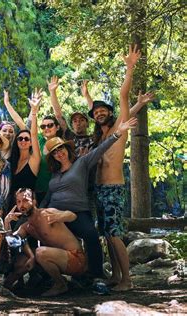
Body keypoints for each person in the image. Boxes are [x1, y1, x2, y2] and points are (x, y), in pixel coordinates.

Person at [39, 117, 137, 281]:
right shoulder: (54, 174)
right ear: (53, 157)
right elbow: (49, 195)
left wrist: (118, 133)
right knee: (42, 235)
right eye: (55, 152)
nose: (59, 153)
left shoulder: (81, 163)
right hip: (55, 213)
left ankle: (95, 273)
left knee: (91, 234)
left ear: (67, 149)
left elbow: (100, 149)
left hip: (78, 212)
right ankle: (49, 277)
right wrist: (39, 210)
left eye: (61, 149)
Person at [90, 44, 152, 291]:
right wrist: (140, 104)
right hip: (100, 190)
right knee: (107, 235)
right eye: (96, 112)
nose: (99, 114)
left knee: (115, 234)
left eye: (103, 110)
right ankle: (116, 275)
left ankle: (127, 280)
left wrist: (130, 68)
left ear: (112, 114)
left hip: (114, 189)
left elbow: (123, 97)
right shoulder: (103, 139)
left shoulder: (119, 131)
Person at [11, 189, 87, 297]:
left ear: (34, 201)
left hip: (76, 258)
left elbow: (72, 216)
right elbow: (12, 240)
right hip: (59, 259)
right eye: (18, 202)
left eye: (25, 200)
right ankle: (7, 286)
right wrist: (7, 222)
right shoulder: (27, 226)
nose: (21, 205)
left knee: (40, 252)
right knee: (24, 259)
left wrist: (61, 216)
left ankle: (60, 285)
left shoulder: (46, 213)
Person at [8, 90, 42, 209]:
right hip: (11, 204)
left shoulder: (34, 160)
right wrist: (6, 102)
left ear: (31, 143)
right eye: (20, 138)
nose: (23, 141)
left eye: (26, 139)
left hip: (28, 204)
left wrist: (34, 112)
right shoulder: (13, 160)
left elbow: (33, 134)